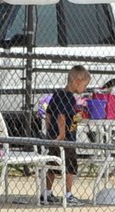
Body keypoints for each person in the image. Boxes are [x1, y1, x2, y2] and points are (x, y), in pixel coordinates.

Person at [42, 65, 91, 201]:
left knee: (52, 165)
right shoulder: (69, 97)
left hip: (53, 137)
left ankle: (47, 193)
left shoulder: (58, 94)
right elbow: (61, 116)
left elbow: (48, 113)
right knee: (69, 166)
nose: (85, 89)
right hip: (66, 139)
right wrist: (62, 135)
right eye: (85, 86)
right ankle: (68, 194)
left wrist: (50, 132)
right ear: (77, 82)